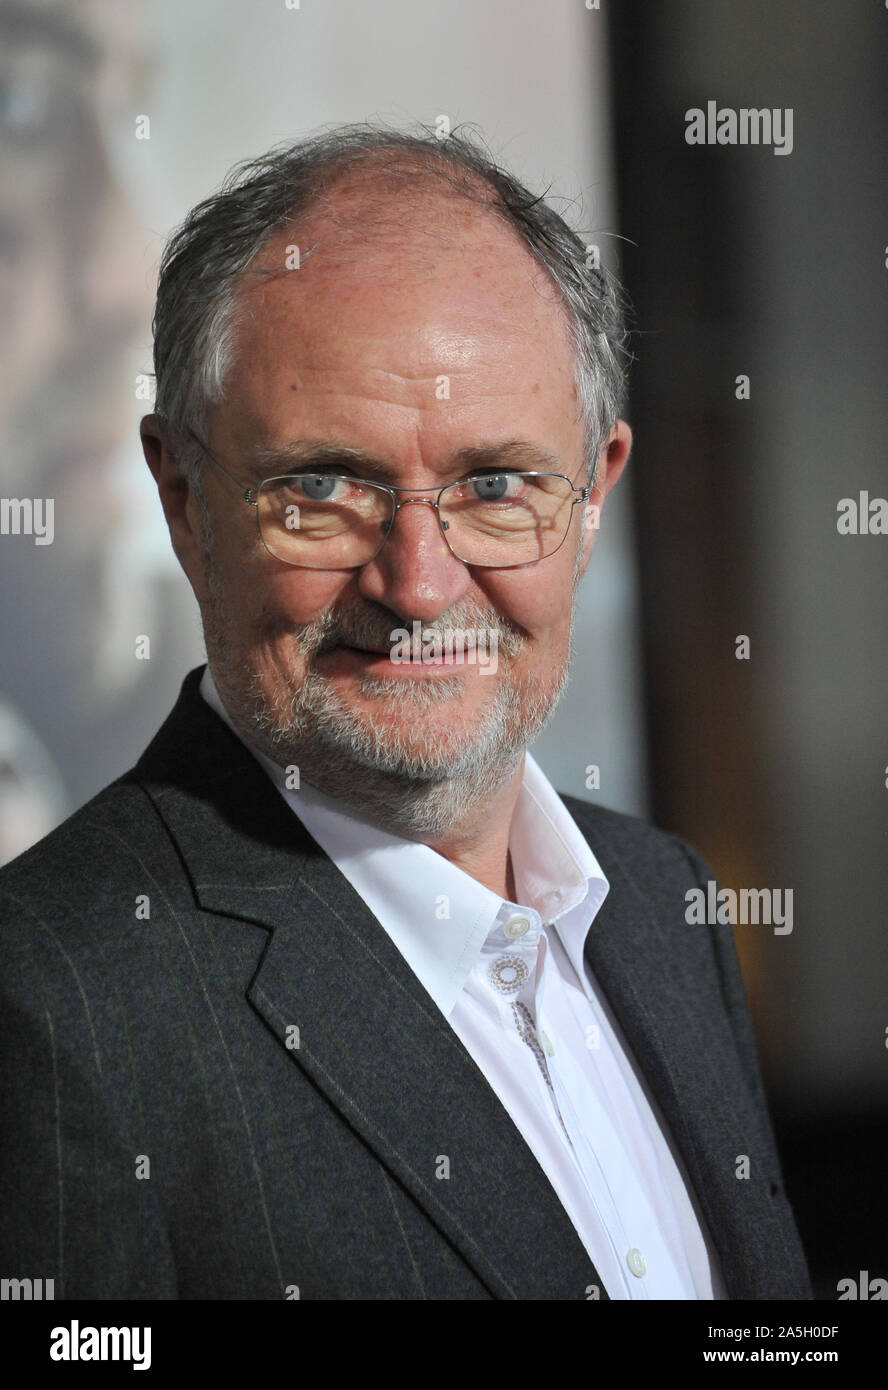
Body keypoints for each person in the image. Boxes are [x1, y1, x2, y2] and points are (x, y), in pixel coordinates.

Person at [0, 125, 811, 1300]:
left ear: (593, 500)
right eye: (323, 487)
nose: (420, 583)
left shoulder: (664, 904)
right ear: (182, 499)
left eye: (495, 486)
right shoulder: (48, 1001)